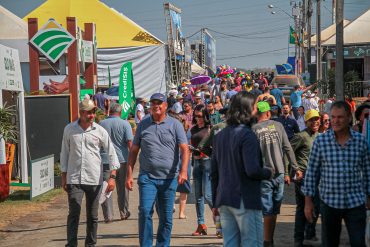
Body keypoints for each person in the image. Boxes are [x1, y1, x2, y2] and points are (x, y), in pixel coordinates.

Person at [302, 101, 370, 247]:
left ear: (349, 118)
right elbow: (312, 172)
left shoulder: (360, 141)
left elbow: (367, 171)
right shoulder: (321, 141)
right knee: (329, 243)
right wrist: (308, 202)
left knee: (359, 242)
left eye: (340, 117)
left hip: (356, 202)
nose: (335, 121)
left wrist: (368, 196)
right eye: (333, 117)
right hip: (329, 202)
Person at [125, 93, 189, 247]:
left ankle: (162, 244)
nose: (156, 105)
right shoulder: (143, 125)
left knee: (166, 218)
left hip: (169, 178)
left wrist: (184, 171)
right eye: (153, 103)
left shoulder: (175, 125)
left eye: (159, 103)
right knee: (145, 211)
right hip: (147, 178)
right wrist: (129, 175)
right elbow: (133, 151)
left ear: (166, 105)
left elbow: (185, 149)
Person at [211, 92, 272, 247]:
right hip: (245, 199)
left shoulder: (220, 136)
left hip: (225, 199)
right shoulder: (247, 135)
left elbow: (214, 173)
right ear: (247, 109)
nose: (257, 111)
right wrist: (268, 172)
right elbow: (252, 170)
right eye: (255, 106)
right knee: (252, 243)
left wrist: (215, 203)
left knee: (230, 243)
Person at [60, 99, 120, 247]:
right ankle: (71, 244)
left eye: (94, 112)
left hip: (94, 179)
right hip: (74, 178)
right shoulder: (69, 129)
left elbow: (111, 153)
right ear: (81, 112)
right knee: (74, 212)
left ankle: (90, 244)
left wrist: (112, 177)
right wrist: (64, 177)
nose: (92, 115)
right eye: (89, 112)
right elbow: (64, 154)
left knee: (92, 216)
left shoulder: (100, 131)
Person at [252, 101, 298, 247]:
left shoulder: (253, 129)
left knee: (267, 211)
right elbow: (287, 147)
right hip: (280, 174)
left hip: (264, 175)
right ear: (268, 113)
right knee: (273, 211)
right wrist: (295, 168)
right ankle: (268, 240)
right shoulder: (278, 126)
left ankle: (267, 241)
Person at [289, 109, 321, 247]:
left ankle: (309, 234)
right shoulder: (301, 136)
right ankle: (298, 239)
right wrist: (295, 169)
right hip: (303, 177)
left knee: (316, 207)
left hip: (317, 177)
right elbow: (288, 151)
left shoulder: (319, 136)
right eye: (312, 120)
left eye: (316, 119)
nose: (315, 122)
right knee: (302, 207)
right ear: (306, 122)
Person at [99, 103, 133, 222]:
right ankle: (123, 212)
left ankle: (108, 216)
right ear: (120, 112)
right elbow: (130, 143)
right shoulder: (125, 124)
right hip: (122, 159)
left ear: (110, 111)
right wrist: (132, 159)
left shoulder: (101, 124)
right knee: (122, 188)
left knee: (106, 187)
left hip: (105, 160)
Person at [190, 104, 213, 236]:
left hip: (207, 162)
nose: (197, 118)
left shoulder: (210, 129)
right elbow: (193, 144)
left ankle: (220, 221)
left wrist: (205, 152)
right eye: (195, 116)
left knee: (208, 195)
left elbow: (213, 147)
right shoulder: (193, 130)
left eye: (200, 116)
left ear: (205, 116)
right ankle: (201, 225)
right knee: (198, 196)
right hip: (196, 162)